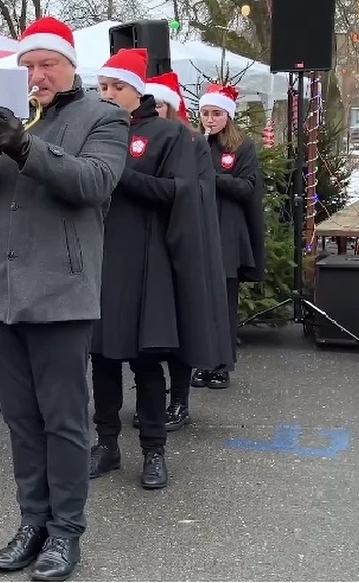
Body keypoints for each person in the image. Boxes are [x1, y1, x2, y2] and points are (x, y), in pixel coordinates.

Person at [0, 15, 128, 580]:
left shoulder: (104, 116)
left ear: (70, 65)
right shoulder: (6, 120)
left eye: (47, 64)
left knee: (65, 422)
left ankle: (66, 532)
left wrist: (25, 146)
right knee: (21, 420)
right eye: (28, 66)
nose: (37, 75)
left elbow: (94, 182)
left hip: (60, 291)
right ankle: (32, 521)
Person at [86, 49, 229, 490]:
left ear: (137, 90)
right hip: (99, 259)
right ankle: (106, 444)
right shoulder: (93, 130)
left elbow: (178, 193)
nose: (108, 94)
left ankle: (153, 451)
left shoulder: (168, 134)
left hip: (146, 266)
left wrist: (119, 174)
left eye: (118, 87)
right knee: (102, 360)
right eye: (103, 87)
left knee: (146, 364)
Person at [145, 71, 231, 427]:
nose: (154, 110)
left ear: (171, 107)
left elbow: (196, 192)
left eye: (159, 104)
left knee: (181, 326)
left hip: (180, 245)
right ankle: (150, 401)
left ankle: (179, 400)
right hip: (147, 245)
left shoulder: (191, 142)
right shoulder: (139, 138)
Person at [198, 83, 265, 389]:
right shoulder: (195, 143)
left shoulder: (242, 146)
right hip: (200, 230)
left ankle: (222, 365)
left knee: (223, 304)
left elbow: (247, 187)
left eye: (216, 114)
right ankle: (202, 361)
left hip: (227, 233)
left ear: (228, 116)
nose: (209, 120)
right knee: (201, 302)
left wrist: (212, 179)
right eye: (205, 113)